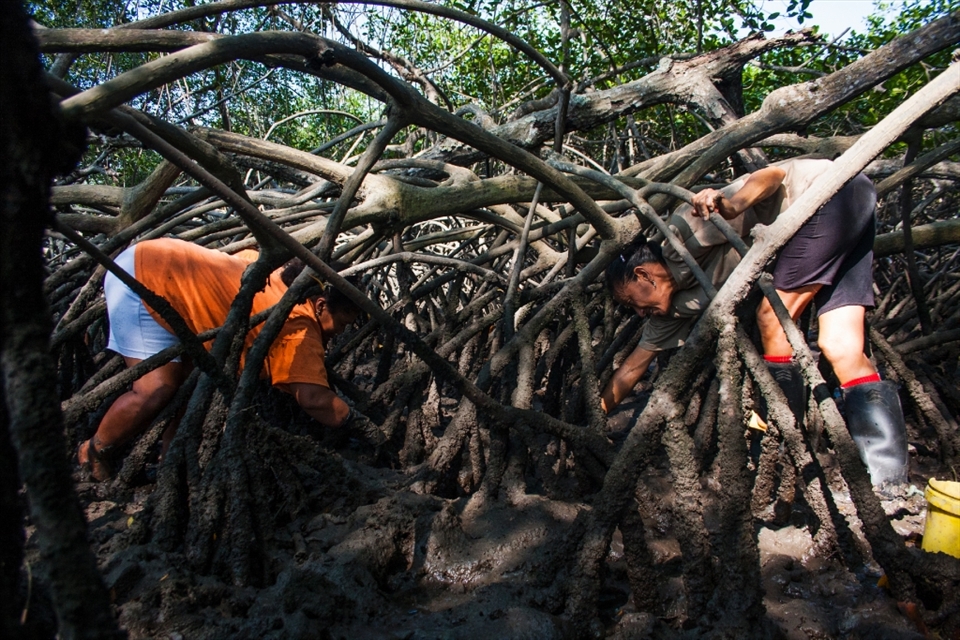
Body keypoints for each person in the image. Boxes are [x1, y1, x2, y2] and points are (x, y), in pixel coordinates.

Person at [601, 158, 909, 487]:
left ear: (642, 275)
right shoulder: (671, 308)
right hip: (856, 199)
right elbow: (633, 367)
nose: (636, 313)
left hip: (825, 194)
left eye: (631, 301)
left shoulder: (683, 231)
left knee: (771, 317)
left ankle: (776, 444)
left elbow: (773, 175)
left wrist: (734, 204)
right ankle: (888, 482)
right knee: (841, 347)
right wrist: (598, 416)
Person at [77, 237, 380, 481]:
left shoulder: (280, 276)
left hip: (159, 262)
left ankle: (173, 466)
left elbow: (246, 256)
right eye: (342, 322)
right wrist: (367, 430)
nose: (340, 333)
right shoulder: (298, 326)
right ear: (321, 304)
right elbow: (312, 398)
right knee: (155, 389)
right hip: (145, 279)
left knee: (182, 389)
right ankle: (94, 451)